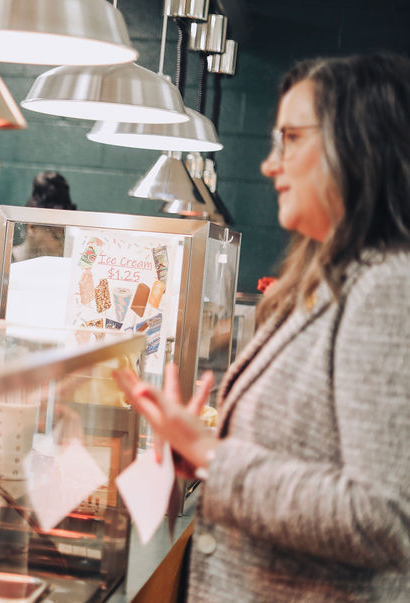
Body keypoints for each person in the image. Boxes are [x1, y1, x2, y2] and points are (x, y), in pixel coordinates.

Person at [113, 53, 410, 600]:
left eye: (291, 138)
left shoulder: (388, 288)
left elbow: (384, 518)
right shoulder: (325, 280)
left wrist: (213, 454)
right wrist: (198, 450)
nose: (271, 166)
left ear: (359, 144)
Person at [12, 171, 77, 261]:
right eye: (57, 237)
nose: (62, 246)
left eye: (64, 238)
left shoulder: (53, 268)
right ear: (32, 227)